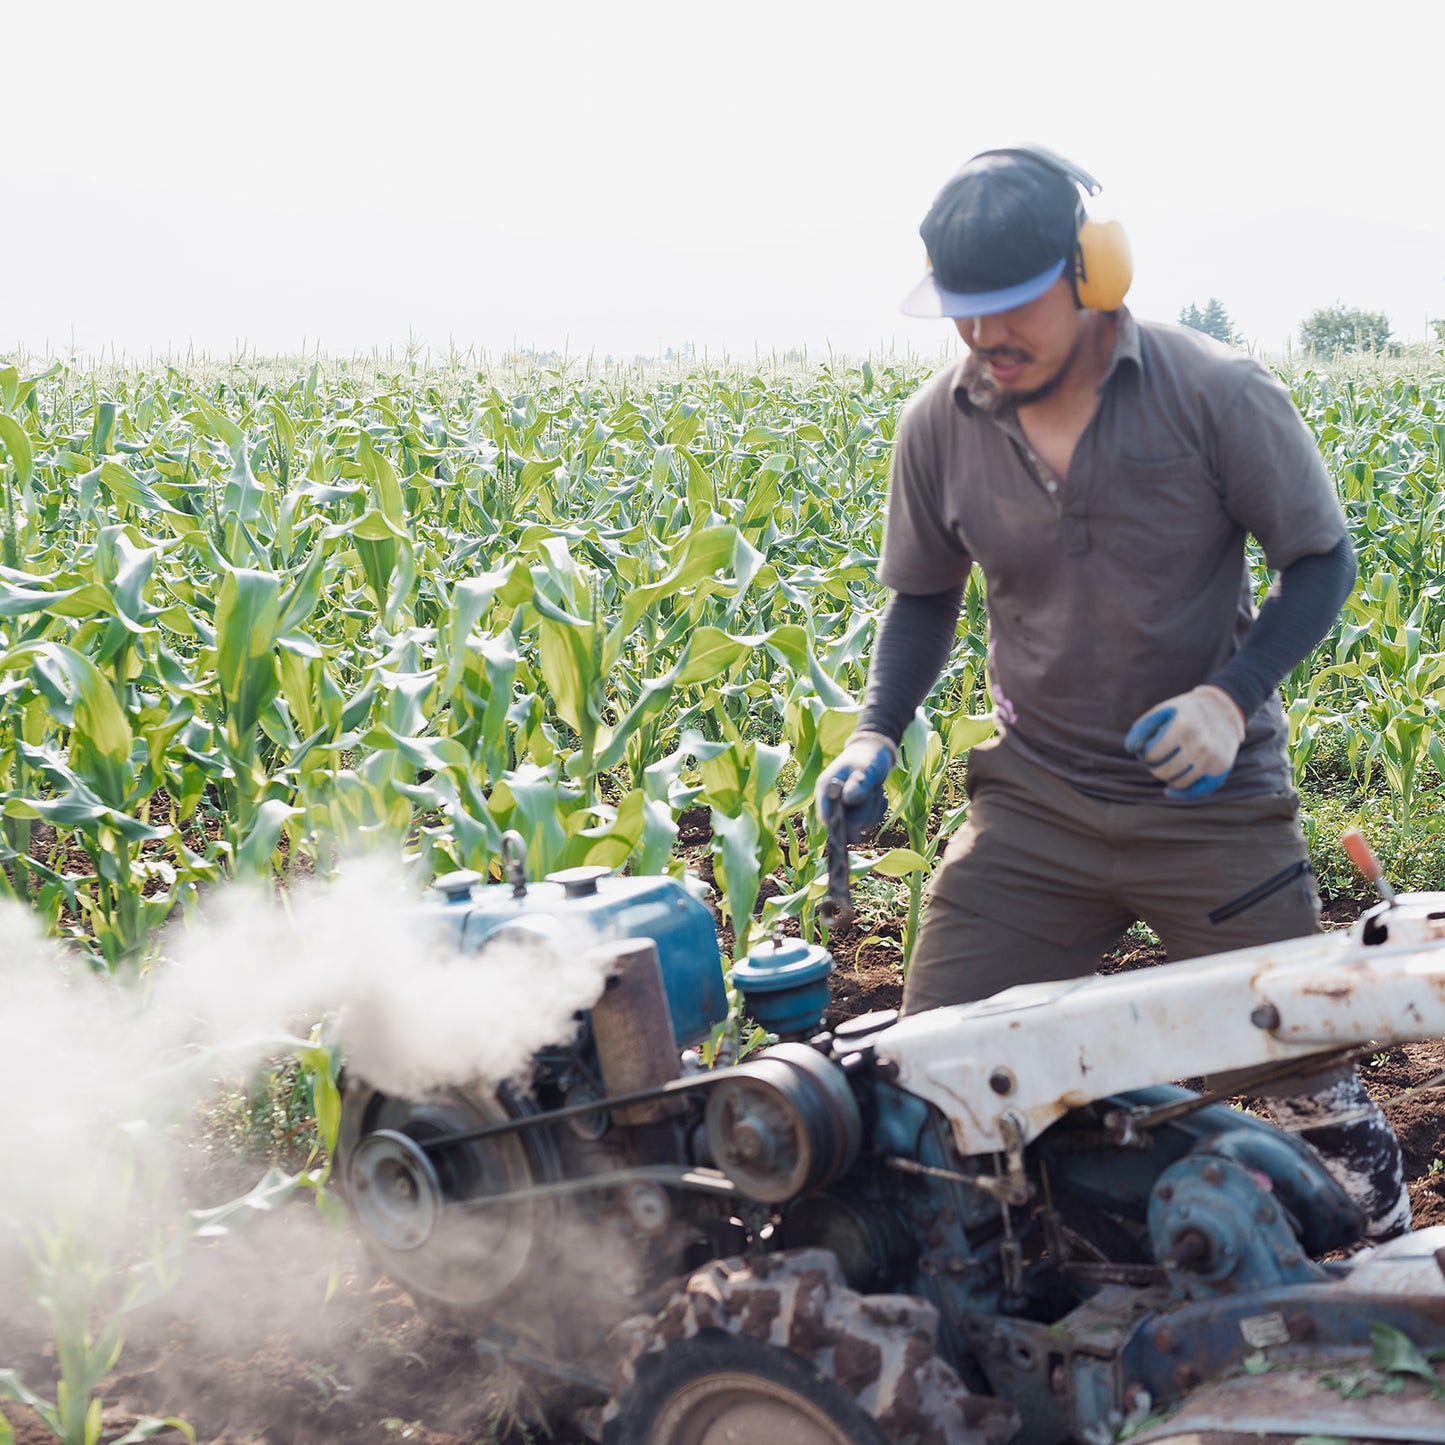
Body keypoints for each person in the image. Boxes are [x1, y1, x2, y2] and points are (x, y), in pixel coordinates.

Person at [818, 146, 1409, 1241]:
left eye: (1010, 307)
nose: (983, 338)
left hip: (1210, 804)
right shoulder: (935, 426)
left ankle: (1376, 1297)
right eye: (962, 314)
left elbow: (1318, 559)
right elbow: (920, 598)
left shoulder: (1213, 392)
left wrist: (1230, 697)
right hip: (1033, 806)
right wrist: (874, 732)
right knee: (933, 1073)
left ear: (1094, 272)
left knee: (1305, 1069)